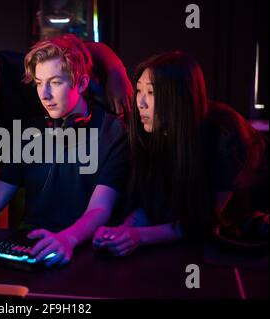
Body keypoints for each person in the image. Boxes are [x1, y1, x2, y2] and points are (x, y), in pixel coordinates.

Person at [0, 34, 129, 267]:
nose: (44, 94)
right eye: (39, 83)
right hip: (34, 246)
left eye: (55, 82)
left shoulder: (113, 132)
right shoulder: (30, 132)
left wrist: (68, 238)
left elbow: (100, 208)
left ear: (81, 83)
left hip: (84, 250)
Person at [93, 51, 268, 256]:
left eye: (151, 92)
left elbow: (204, 220)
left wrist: (139, 236)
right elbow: (151, 202)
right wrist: (125, 229)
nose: (140, 102)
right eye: (139, 90)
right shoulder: (148, 130)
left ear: (178, 97)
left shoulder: (226, 137)